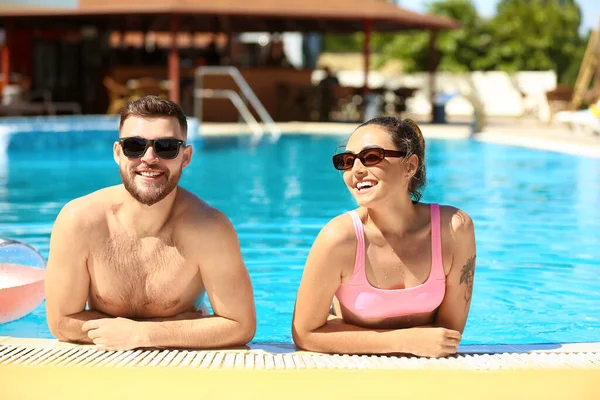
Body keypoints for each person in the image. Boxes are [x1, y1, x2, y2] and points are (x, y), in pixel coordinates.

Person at [45, 95, 256, 351]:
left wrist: (144, 334)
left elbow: (240, 325)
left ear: (186, 157)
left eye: (166, 146)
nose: (149, 158)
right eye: (134, 145)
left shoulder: (210, 229)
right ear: (118, 153)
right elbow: (61, 322)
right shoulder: (79, 221)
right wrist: (171, 329)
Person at [292, 116, 476, 358]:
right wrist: (402, 341)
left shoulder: (454, 229)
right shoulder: (339, 238)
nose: (356, 171)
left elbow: (448, 336)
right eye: (348, 161)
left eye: (371, 157)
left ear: (410, 166)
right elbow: (304, 333)